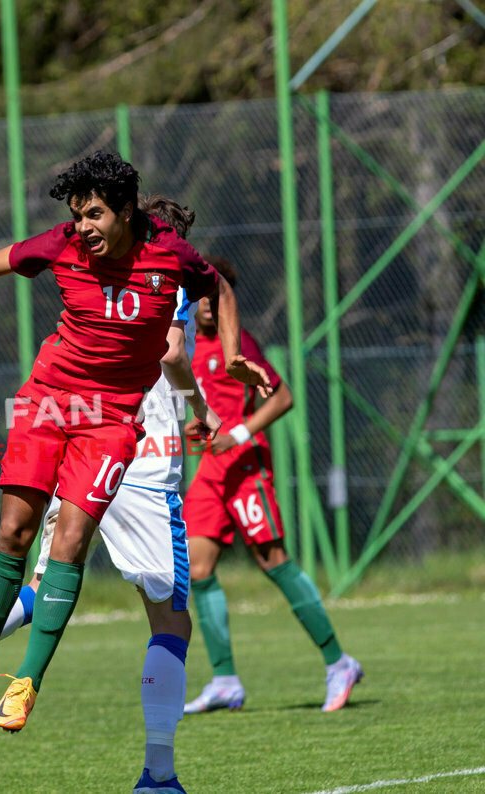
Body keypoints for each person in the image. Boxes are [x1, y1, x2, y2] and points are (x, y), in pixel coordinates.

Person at [0, 151, 270, 744]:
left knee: (70, 542)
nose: (82, 227)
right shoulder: (62, 244)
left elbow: (213, 282)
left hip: (111, 419)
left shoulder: (169, 254)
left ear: (124, 212)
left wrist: (234, 351)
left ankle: (27, 682)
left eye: (93, 214)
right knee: (14, 530)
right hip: (47, 399)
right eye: (76, 215)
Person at [0, 196, 224, 794]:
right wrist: (199, 403)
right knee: (170, 622)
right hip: (140, 457)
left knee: (41, 580)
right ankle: (159, 774)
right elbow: (173, 349)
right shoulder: (166, 267)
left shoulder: (90, 262)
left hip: (75, 434)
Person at [182, 255, 363, 715]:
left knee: (273, 560)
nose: (205, 302)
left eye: (213, 293)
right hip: (209, 470)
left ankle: (338, 662)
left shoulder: (237, 343)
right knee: (197, 569)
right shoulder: (184, 347)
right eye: (197, 292)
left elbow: (282, 396)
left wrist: (238, 433)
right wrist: (196, 429)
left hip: (244, 466)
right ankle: (224, 680)